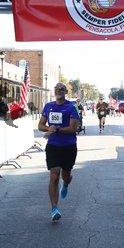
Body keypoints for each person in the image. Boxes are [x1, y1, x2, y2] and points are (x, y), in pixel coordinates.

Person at [38, 83, 79, 222]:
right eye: (57, 89)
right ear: (54, 91)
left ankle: (66, 183)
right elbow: (40, 125)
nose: (59, 91)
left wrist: (57, 129)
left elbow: (73, 128)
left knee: (65, 175)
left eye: (62, 89)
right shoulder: (48, 106)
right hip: (53, 146)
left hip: (68, 146)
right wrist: (48, 128)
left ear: (66, 92)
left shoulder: (71, 107)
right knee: (54, 176)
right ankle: (54, 208)